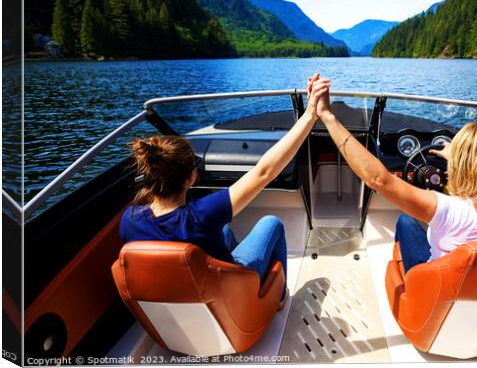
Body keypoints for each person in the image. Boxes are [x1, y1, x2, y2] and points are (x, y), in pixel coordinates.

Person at [119, 73, 330, 308]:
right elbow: (264, 172)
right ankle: (278, 296)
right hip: (227, 300)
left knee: (226, 231)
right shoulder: (203, 215)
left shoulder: (129, 220)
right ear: (191, 177)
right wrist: (311, 114)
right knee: (271, 223)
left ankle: (232, 264)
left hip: (183, 302)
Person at [309, 76, 477, 273]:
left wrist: (328, 116)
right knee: (409, 221)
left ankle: (404, 276)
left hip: (436, 297)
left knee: (405, 221)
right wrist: (461, 158)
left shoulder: (447, 210)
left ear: (463, 165)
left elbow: (378, 179)